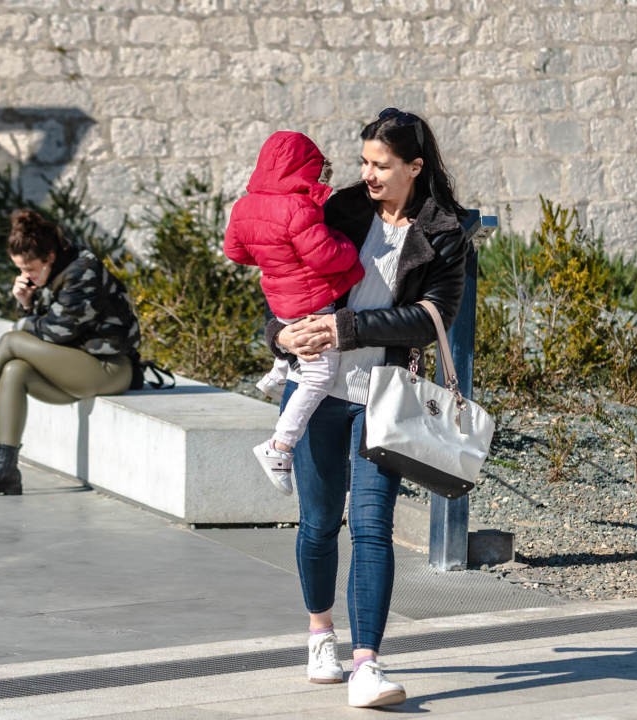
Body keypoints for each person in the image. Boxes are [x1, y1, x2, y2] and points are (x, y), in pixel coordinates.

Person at [265, 108, 468, 707]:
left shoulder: (444, 233)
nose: (369, 174)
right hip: (315, 391)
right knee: (320, 523)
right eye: (364, 162)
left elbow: (431, 318)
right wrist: (279, 337)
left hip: (383, 396)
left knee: (373, 526)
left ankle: (367, 665)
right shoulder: (339, 210)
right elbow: (280, 281)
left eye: (382, 165)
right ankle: (320, 633)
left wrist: (344, 327)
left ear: (414, 167)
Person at [0, 210, 141, 496]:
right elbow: (50, 331)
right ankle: (6, 469)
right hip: (75, 367)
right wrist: (25, 302)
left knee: (12, 341)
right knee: (15, 371)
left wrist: (22, 321)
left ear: (51, 256)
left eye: (31, 269)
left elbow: (57, 332)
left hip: (109, 369)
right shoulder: (55, 272)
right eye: (21, 269)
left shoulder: (83, 271)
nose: (26, 275)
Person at [224, 131, 365, 495]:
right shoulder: (298, 207)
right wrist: (349, 248)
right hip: (310, 300)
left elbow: (235, 252)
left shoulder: (244, 206)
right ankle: (279, 446)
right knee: (319, 373)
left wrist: (274, 256)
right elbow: (323, 256)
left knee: (292, 343)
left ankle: (278, 372)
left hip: (278, 297)